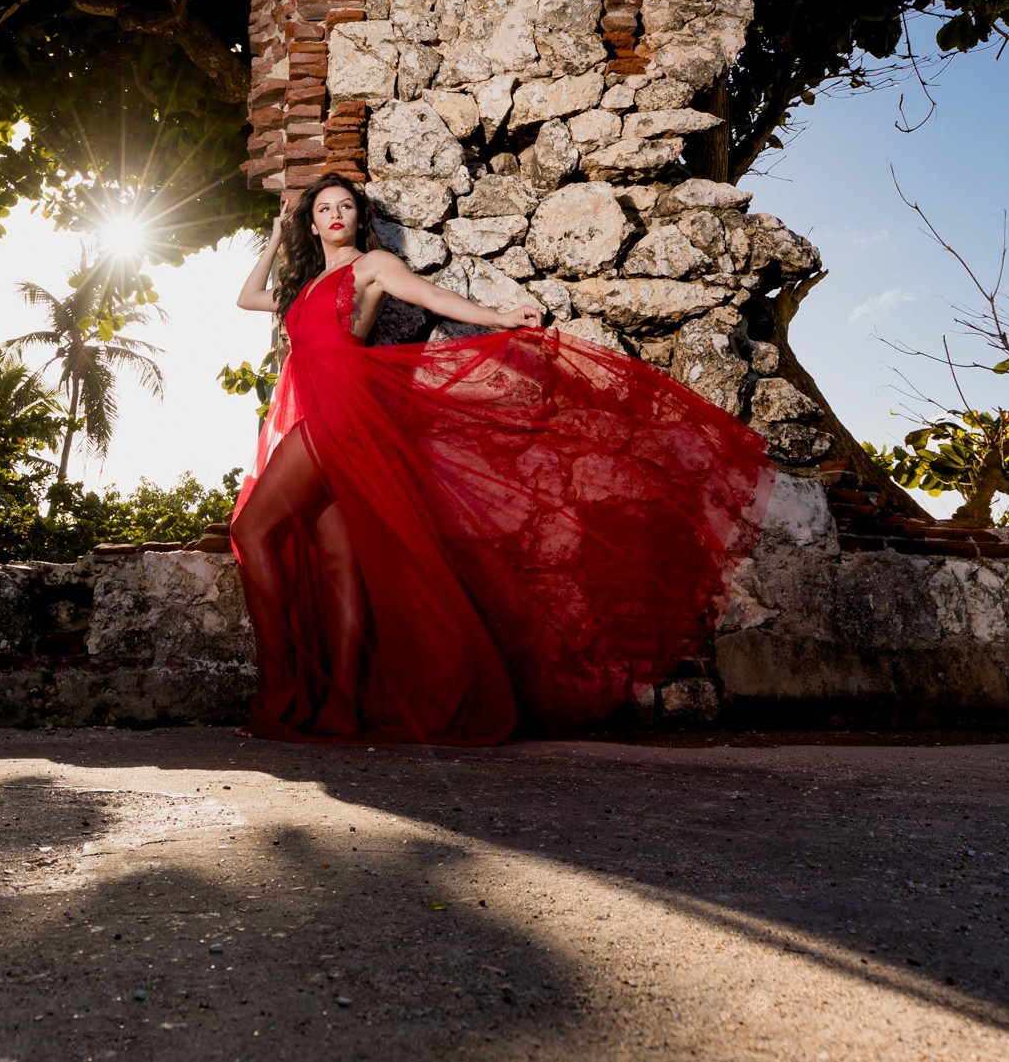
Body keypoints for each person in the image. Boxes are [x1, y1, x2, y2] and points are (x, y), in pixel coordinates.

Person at [228, 172, 773, 745]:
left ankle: (283, 690)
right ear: (312, 222)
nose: (335, 215)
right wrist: (277, 235)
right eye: (323, 209)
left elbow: (433, 297)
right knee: (340, 564)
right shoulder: (308, 283)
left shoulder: (373, 267)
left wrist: (500, 319)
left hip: (338, 417)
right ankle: (339, 707)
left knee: (251, 528)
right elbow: (246, 297)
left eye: (345, 206)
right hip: (328, 419)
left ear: (359, 217)